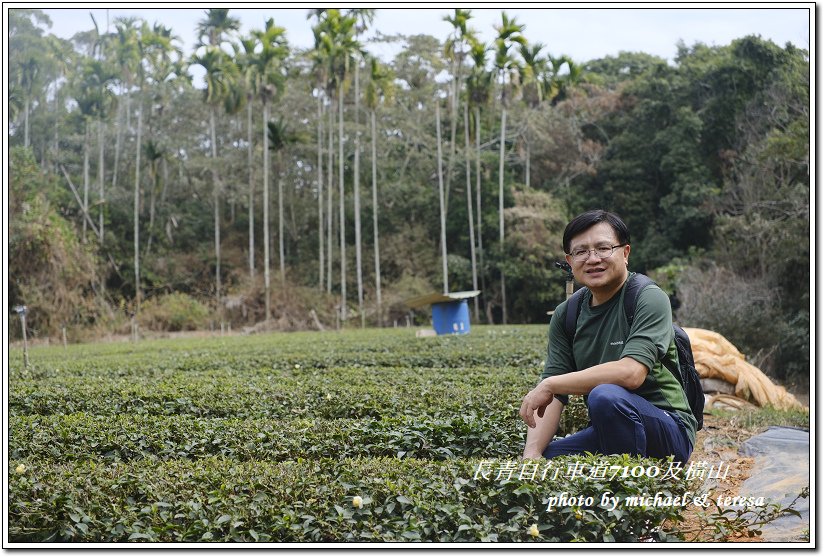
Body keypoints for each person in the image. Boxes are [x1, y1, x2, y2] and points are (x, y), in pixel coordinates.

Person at [519, 209, 695, 463]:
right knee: (550, 459)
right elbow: (553, 397)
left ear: (625, 253)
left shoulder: (648, 297)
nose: (592, 259)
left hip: (668, 427)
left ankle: (631, 490)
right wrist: (531, 454)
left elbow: (631, 374)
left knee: (605, 395)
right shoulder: (566, 315)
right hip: (609, 426)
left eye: (603, 248)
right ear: (569, 262)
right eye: (581, 252)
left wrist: (549, 384)